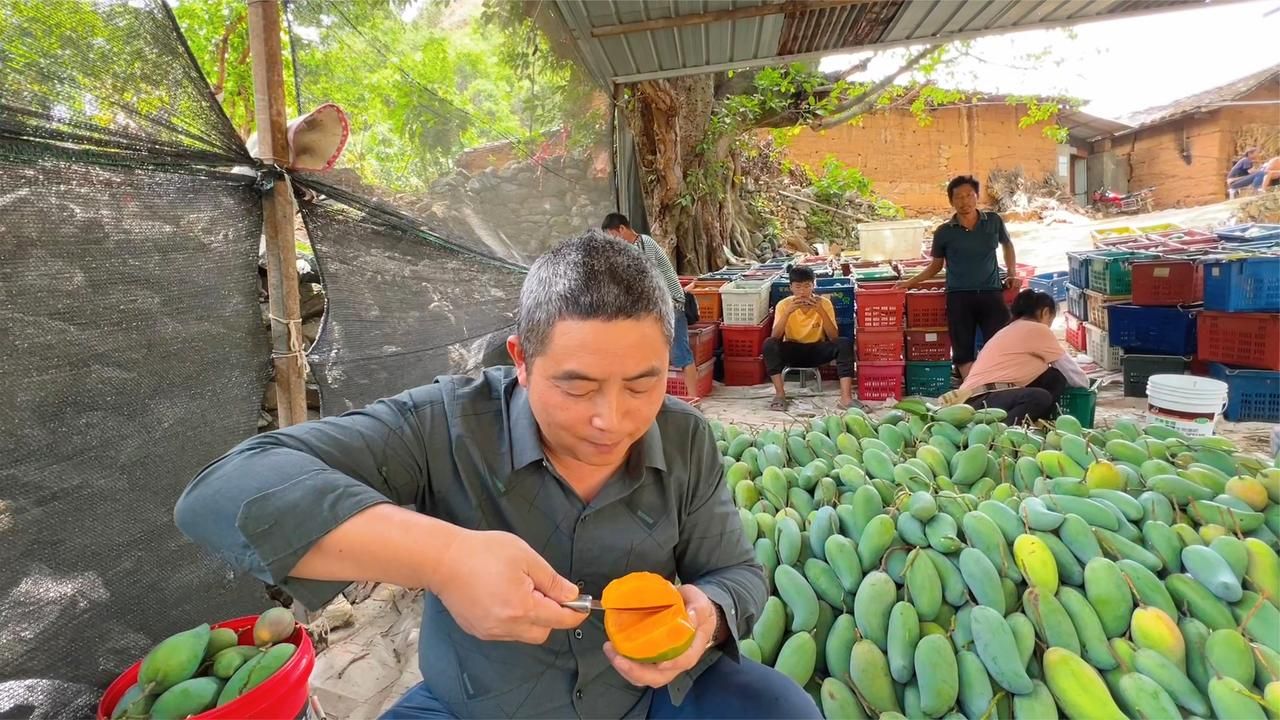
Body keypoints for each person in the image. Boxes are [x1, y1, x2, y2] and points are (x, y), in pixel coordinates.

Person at [174, 229, 819, 720]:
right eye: (577, 386)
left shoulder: (684, 436)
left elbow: (736, 573)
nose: (612, 420)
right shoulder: (442, 425)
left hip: (647, 701)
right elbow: (223, 491)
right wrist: (445, 557)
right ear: (522, 360)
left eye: (642, 384)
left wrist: (708, 612)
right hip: (476, 707)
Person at [898, 175, 1019, 380]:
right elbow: (936, 266)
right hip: (959, 296)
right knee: (962, 347)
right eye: (959, 198)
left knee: (999, 341)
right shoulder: (944, 232)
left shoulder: (993, 221)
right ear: (951, 201)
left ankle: (998, 381)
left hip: (991, 292)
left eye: (969, 195)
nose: (965, 202)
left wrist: (1011, 273)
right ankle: (971, 387)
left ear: (977, 196)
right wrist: (908, 283)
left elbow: (1007, 245)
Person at [939, 289, 1088, 424]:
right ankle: (1001, 433)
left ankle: (1028, 424)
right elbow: (1074, 374)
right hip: (981, 399)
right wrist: (1088, 387)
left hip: (973, 398)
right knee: (1039, 397)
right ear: (1045, 312)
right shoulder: (1037, 329)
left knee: (1053, 377)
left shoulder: (1008, 330)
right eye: (1050, 320)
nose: (1048, 325)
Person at [602, 213, 701, 404]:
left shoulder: (644, 243)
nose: (613, 241)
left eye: (613, 235)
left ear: (622, 229)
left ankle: (694, 399)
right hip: (657, 307)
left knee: (680, 353)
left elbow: (644, 279)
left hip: (671, 305)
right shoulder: (633, 247)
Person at [762, 266, 855, 411]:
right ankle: (780, 395)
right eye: (798, 287)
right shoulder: (784, 305)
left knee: (844, 343)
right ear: (791, 287)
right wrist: (787, 313)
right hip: (792, 350)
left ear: (813, 285)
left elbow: (833, 337)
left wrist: (821, 312)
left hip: (817, 349)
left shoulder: (824, 303)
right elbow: (776, 336)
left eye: (807, 286)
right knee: (769, 344)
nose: (802, 291)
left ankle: (846, 398)